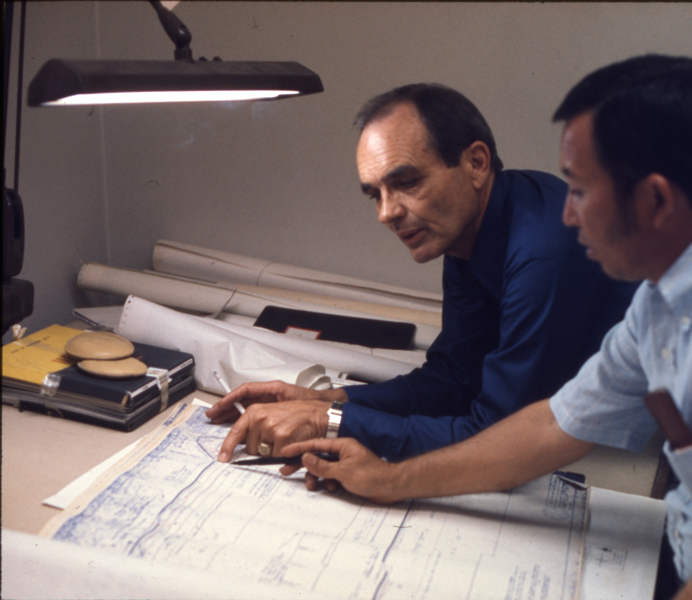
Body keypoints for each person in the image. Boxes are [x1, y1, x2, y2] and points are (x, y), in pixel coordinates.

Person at [283, 55, 692, 600]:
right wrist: (391, 479)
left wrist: (345, 427)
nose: (568, 215)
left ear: (654, 200)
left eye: (580, 191)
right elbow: (551, 425)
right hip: (690, 557)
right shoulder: (662, 300)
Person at [207, 83, 635, 462]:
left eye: (408, 183)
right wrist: (329, 399)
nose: (386, 213)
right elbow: (455, 378)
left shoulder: (541, 253)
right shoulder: (469, 228)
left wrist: (329, 422)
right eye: (375, 194)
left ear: (476, 163)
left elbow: (498, 438)